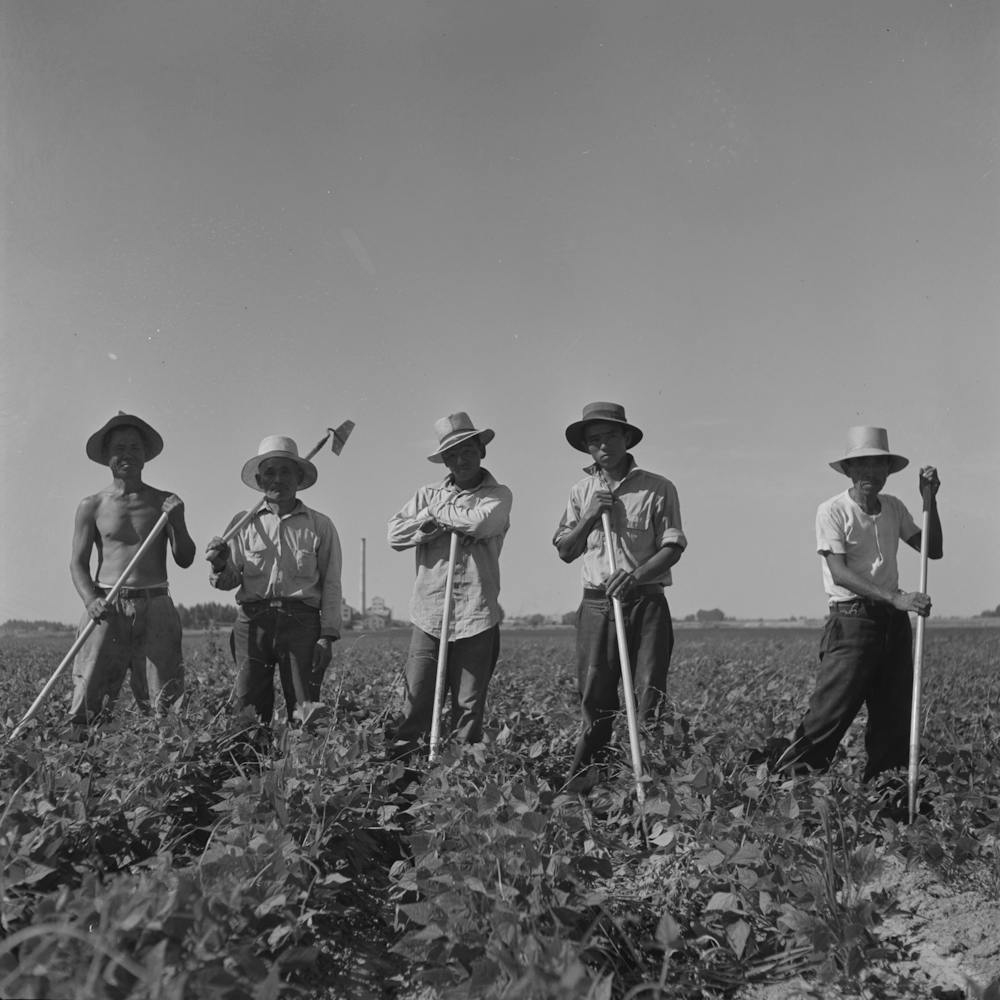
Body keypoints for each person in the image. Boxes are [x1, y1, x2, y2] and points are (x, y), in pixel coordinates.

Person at [773, 426, 942, 781]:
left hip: (893, 627)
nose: (870, 473)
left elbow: (933, 549)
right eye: (862, 465)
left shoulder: (894, 508)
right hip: (852, 623)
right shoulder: (832, 510)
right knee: (828, 716)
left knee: (893, 718)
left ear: (887, 471)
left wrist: (931, 501)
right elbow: (839, 572)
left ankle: (887, 800)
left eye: (878, 466)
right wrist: (896, 598)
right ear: (849, 471)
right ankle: (793, 791)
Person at [553, 402, 687, 782]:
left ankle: (647, 779)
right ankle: (586, 781)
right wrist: (591, 515)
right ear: (587, 448)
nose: (602, 445)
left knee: (649, 694)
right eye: (594, 440)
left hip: (645, 602)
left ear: (627, 438)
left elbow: (673, 547)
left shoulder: (658, 487)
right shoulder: (581, 492)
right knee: (595, 697)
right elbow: (565, 550)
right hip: (597, 606)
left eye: (610, 436)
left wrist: (636, 575)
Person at [387, 412, 512, 757]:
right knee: (416, 699)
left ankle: (457, 782)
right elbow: (395, 534)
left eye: (468, 451)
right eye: (452, 454)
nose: (461, 460)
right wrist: (428, 519)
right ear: (444, 459)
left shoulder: (499, 495)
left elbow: (482, 524)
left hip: (477, 614)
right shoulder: (425, 494)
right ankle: (404, 778)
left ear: (481, 451)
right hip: (429, 613)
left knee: (468, 708)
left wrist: (435, 518)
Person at [205, 436, 343, 725]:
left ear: (299, 477)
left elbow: (331, 584)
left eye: (285, 471)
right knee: (248, 705)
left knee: (305, 706)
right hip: (252, 622)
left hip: (302, 623)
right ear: (259, 479)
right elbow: (229, 580)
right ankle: (251, 763)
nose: (277, 479)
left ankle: (305, 765)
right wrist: (220, 563)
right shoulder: (244, 523)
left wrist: (327, 635)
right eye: (269, 472)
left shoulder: (320, 525)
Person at [69, 412, 196, 725]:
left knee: (164, 700)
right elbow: (78, 563)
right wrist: (90, 599)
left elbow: (185, 558)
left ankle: (164, 763)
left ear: (145, 455)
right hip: (107, 607)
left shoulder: (165, 502)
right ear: (107, 456)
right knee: (89, 693)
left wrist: (177, 522)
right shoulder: (92, 505)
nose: (127, 454)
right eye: (119, 448)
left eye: (135, 447)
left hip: (156, 606)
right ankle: (80, 762)